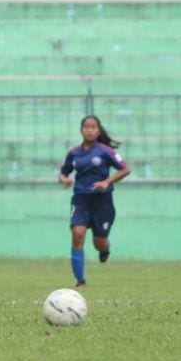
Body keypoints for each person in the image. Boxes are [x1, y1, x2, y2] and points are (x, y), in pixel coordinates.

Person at [58, 115, 131, 287]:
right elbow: (63, 173)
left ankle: (105, 250)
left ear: (98, 131)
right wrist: (64, 180)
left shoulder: (105, 151)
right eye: (86, 127)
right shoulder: (74, 153)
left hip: (102, 202)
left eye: (93, 127)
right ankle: (80, 280)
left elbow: (125, 169)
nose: (89, 130)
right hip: (81, 200)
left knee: (99, 243)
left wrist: (106, 182)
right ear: (81, 130)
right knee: (77, 234)